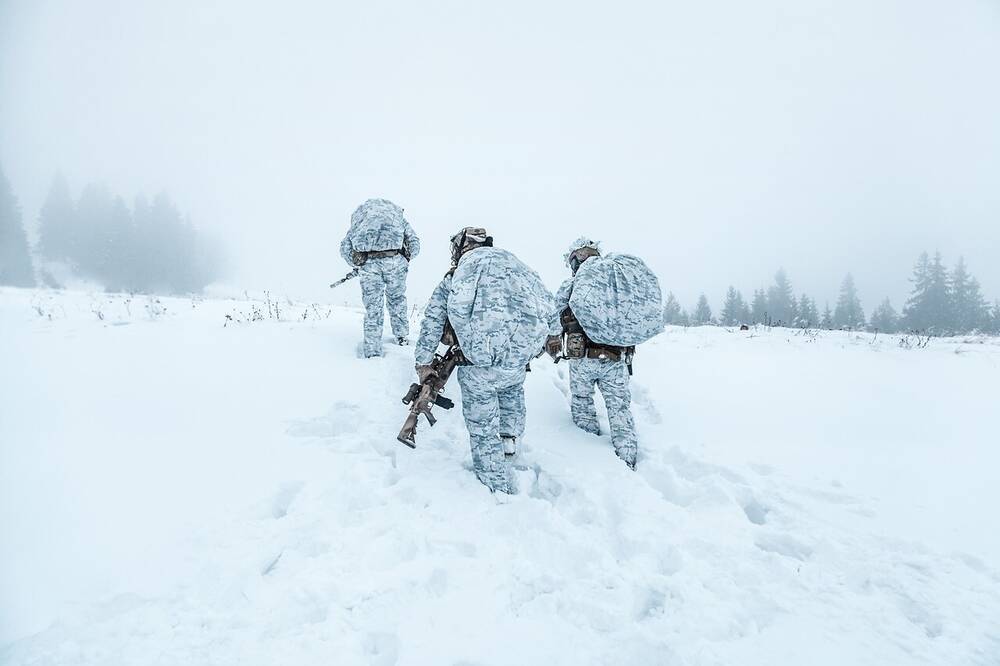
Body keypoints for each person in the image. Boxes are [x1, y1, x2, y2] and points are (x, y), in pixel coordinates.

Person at [415, 227, 552, 494]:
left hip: (478, 366)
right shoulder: (517, 267)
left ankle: (495, 488)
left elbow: (432, 321)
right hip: (516, 364)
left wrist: (423, 363)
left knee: (483, 427)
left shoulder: (458, 274)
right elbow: (548, 306)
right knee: (511, 396)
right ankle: (510, 447)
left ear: (460, 248)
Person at [547, 238, 662, 470]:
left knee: (582, 402)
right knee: (619, 407)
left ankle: (588, 456)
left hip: (583, 358)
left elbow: (554, 317)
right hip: (616, 358)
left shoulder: (573, 284)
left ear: (575, 260)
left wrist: (553, 338)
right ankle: (628, 457)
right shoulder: (618, 284)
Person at [340, 198, 420, 357]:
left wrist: (359, 264)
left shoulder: (361, 220)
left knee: (373, 309)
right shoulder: (397, 218)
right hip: (395, 262)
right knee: (397, 300)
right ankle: (402, 337)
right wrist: (404, 259)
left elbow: (344, 248)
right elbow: (415, 244)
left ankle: (372, 351)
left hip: (369, 266)